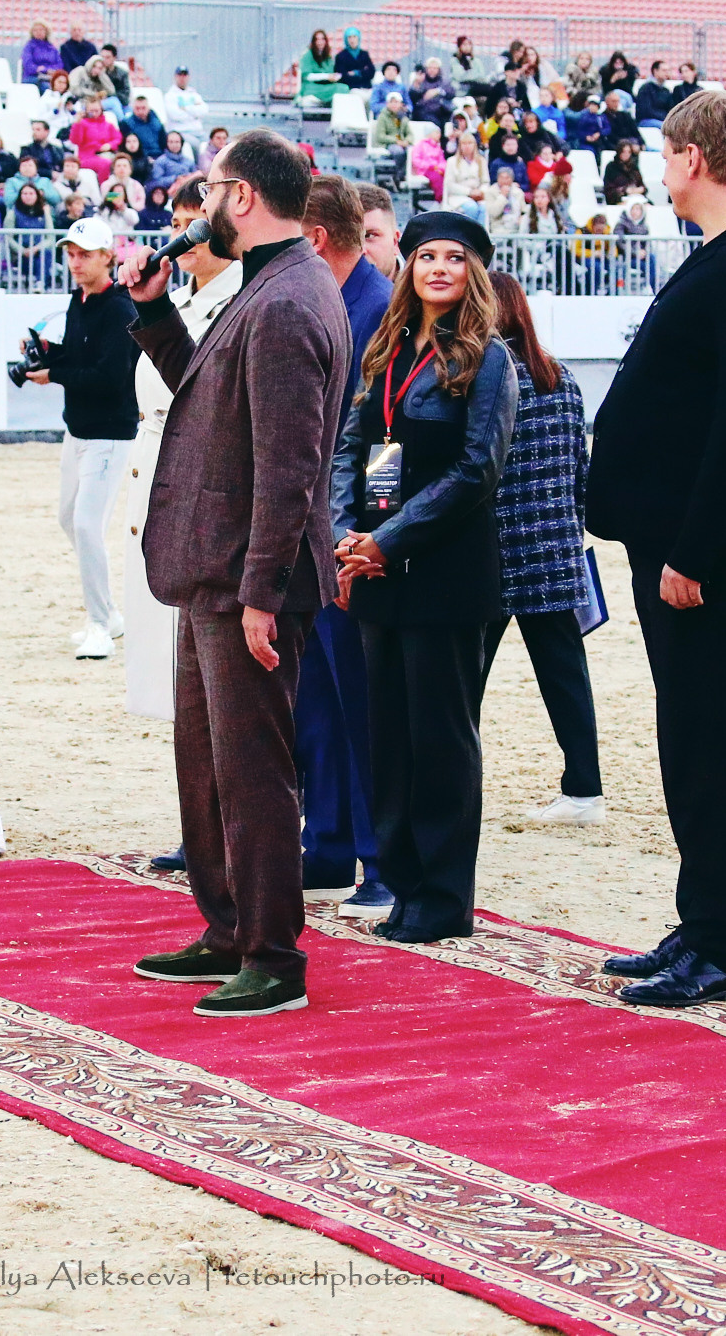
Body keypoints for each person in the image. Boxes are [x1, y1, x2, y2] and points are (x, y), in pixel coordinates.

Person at [584, 90, 726, 1007]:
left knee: (714, 738)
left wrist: (693, 549)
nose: (662, 171)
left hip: (708, 550)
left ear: (691, 157)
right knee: (690, 734)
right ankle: (700, 919)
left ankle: (720, 943)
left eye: (666, 155)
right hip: (678, 537)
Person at [122, 128, 352, 1018]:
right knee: (208, 763)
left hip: (247, 577)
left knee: (252, 770)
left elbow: (289, 466)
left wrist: (261, 592)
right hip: (218, 569)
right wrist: (154, 315)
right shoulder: (271, 285)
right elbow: (209, 396)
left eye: (212, 189)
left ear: (244, 196)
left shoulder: (287, 298)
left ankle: (272, 955)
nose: (201, 207)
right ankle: (228, 930)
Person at [331, 208, 513, 943]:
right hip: (378, 570)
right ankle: (403, 884)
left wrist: (388, 539)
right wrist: (345, 535)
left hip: (447, 570)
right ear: (407, 267)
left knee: (441, 737)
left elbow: (477, 470)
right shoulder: (386, 348)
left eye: (455, 257)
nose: (439, 268)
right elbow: (350, 448)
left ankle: (443, 896)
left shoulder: (488, 358)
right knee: (389, 736)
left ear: (475, 271)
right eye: (427, 256)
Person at [286, 175, 394, 917]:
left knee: (362, 703)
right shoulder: (340, 298)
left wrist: (363, 531)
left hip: (345, 531)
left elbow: (384, 435)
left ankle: (379, 856)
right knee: (318, 700)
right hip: (312, 524)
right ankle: (326, 841)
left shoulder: (376, 308)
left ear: (316, 238)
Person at [124, 177, 243, 744]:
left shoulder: (238, 298)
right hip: (151, 455)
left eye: (195, 222)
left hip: (192, 462)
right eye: (175, 224)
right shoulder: (179, 299)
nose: (183, 235)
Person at [479, 272, 601, 825]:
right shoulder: (562, 377)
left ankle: (452, 780)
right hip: (554, 547)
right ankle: (584, 790)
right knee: (564, 674)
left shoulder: (484, 376)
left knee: (464, 678)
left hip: (496, 548)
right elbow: (579, 468)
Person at [21, 216, 139, 661]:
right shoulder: (81, 300)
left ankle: (99, 625)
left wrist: (55, 373)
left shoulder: (120, 309)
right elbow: (80, 355)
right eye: (71, 254)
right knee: (70, 520)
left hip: (109, 433)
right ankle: (108, 615)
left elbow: (110, 377)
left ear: (108, 257)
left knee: (87, 525)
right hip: (78, 429)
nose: (75, 262)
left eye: (85, 254)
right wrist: (48, 354)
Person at [358, 186, 401, 281]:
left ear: (395, 242)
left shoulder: (425, 287)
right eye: (349, 239)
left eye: (369, 236)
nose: (361, 250)